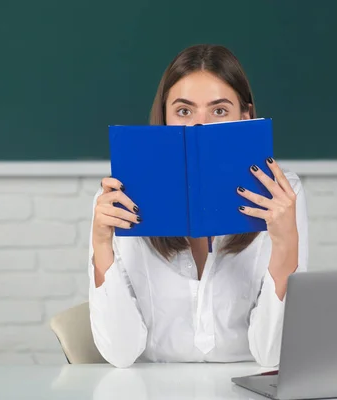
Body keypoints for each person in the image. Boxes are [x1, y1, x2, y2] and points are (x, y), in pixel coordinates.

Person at [87, 44, 308, 368]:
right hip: (152, 387)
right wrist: (102, 244)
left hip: (245, 385)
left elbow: (272, 356)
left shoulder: (283, 196)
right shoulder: (118, 199)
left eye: (219, 111)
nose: (199, 127)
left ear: (245, 116)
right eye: (184, 111)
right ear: (163, 117)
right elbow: (120, 354)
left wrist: (286, 241)